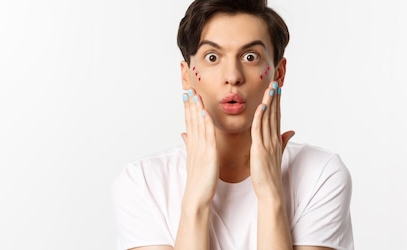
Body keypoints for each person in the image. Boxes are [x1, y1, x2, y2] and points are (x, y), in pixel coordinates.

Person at [111, 0, 354, 249]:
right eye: (212, 57)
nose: (233, 77)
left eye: (250, 56)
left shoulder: (320, 175)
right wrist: (195, 201)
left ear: (278, 72)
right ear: (186, 75)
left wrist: (271, 196)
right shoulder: (143, 184)